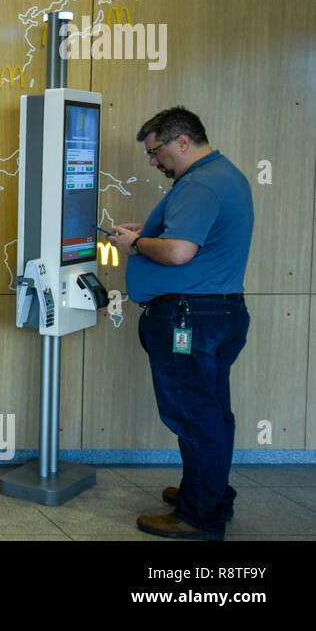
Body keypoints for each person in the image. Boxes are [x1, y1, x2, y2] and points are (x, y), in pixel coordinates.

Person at [105, 107, 252, 541]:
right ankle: (206, 494)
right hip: (214, 314)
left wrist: (137, 244)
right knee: (210, 412)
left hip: (191, 317)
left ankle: (200, 517)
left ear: (182, 142)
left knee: (195, 416)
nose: (153, 161)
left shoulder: (201, 183)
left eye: (156, 152)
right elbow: (183, 242)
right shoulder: (224, 175)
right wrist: (145, 237)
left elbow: (178, 252)